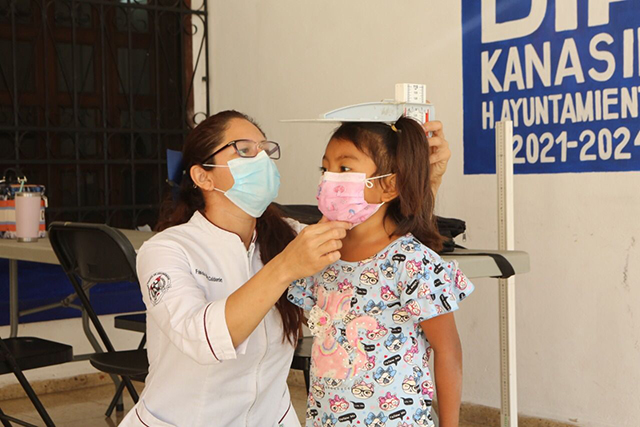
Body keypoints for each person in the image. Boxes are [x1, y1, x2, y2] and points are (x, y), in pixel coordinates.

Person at [120, 110, 451, 427]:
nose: (262, 159)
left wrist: (422, 180)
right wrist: (285, 267)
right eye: (245, 150)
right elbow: (204, 340)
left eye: (266, 149)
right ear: (202, 175)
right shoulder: (166, 250)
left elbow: (378, 237)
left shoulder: (287, 236)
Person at [288, 117, 472, 427]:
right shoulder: (318, 254)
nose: (330, 179)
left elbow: (448, 351)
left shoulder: (412, 262)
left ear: (389, 184)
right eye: (325, 169)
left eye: (344, 169)